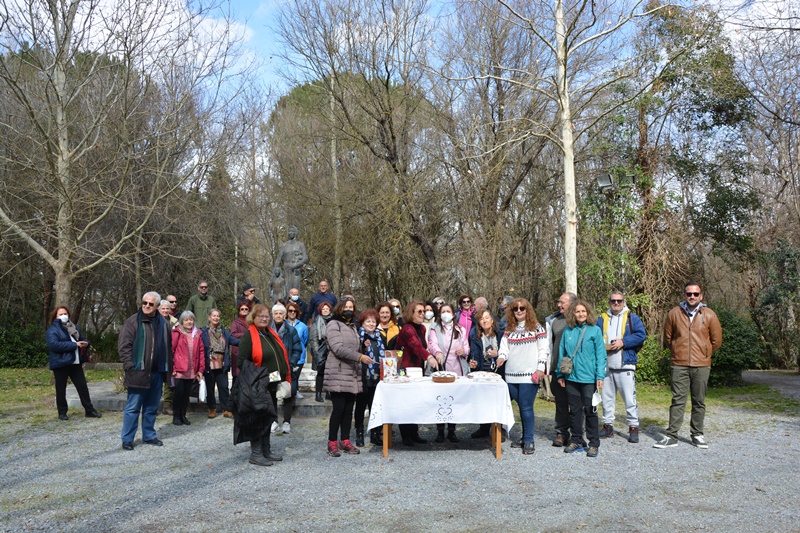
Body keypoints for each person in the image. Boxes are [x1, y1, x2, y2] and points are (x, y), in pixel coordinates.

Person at [654, 282, 722, 449]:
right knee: (677, 400)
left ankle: (697, 434)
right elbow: (668, 339)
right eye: (689, 294)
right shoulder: (674, 314)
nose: (692, 296)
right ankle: (672, 436)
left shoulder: (710, 315)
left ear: (701, 296)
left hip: (702, 364)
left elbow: (716, 341)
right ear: (684, 295)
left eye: (695, 294)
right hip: (679, 364)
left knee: (699, 401)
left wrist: (704, 353)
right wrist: (678, 352)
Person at [232, 303, 289, 466]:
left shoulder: (269, 333)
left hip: (270, 384)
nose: (265, 318)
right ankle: (256, 453)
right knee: (257, 420)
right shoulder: (249, 336)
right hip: (257, 386)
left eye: (266, 316)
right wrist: (261, 376)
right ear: (253, 317)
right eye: (261, 316)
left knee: (267, 419)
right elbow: (242, 362)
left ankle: (266, 450)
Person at [118, 291, 172, 450]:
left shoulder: (164, 324)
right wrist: (129, 366)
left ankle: (149, 435)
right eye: (144, 303)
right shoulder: (133, 322)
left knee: (151, 407)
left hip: (157, 372)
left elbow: (168, 347)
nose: (147, 306)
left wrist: (168, 369)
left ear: (157, 306)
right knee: (133, 408)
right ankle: (127, 438)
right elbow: (124, 346)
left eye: (150, 304)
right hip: (138, 372)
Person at [497, 298, 548, 455]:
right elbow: (504, 349)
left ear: (528, 310)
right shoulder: (509, 330)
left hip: (529, 375)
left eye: (522, 308)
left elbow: (543, 350)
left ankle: (529, 440)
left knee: (526, 408)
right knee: (519, 407)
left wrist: (540, 369)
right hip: (511, 376)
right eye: (515, 309)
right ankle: (525, 436)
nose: (519, 311)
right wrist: (501, 357)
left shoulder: (537, 328)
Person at [556, 300, 606, 458]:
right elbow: (561, 353)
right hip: (571, 378)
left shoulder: (595, 331)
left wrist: (600, 376)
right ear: (573, 314)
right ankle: (576, 439)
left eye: (583, 311)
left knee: (590, 411)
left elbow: (601, 355)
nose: (581, 314)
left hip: (589, 379)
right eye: (577, 311)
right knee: (574, 411)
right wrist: (560, 374)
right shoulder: (568, 331)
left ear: (588, 312)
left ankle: (593, 443)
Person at [324, 296, 373, 457]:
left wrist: (362, 348)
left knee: (348, 410)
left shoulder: (352, 326)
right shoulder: (333, 324)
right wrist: (359, 357)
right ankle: (332, 442)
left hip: (352, 373)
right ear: (340, 308)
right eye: (346, 307)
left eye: (351, 307)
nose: (349, 310)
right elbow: (337, 348)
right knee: (338, 409)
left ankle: (345, 440)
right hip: (338, 372)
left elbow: (354, 349)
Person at [596, 292, 646, 443]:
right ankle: (607, 426)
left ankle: (633, 427)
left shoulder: (632, 317)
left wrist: (623, 342)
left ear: (624, 302)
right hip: (606, 365)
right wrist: (603, 347)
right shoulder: (602, 318)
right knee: (607, 399)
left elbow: (641, 335)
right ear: (609, 301)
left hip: (625, 365)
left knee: (630, 399)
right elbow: (596, 337)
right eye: (613, 300)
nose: (616, 303)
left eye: (619, 301)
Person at [46, 306, 101, 421]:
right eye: (60, 314)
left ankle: (89, 410)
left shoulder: (73, 328)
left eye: (65, 313)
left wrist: (86, 343)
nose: (63, 316)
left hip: (75, 363)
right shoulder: (52, 330)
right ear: (55, 317)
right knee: (61, 389)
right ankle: (62, 412)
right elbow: (54, 345)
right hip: (61, 363)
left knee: (83, 387)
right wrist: (74, 345)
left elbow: (81, 339)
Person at [395, 300, 438, 446]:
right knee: (405, 403)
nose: (422, 314)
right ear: (410, 313)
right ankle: (405, 435)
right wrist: (429, 357)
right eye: (419, 311)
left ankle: (414, 433)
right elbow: (416, 347)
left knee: (415, 403)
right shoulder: (407, 329)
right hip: (405, 371)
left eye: (423, 311)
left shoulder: (422, 329)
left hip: (417, 370)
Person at [428, 303, 470, 443]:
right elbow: (432, 344)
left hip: (457, 368)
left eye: (448, 311)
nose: (446, 314)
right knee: (440, 399)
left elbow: (466, 346)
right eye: (443, 311)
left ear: (453, 314)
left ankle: (452, 431)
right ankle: (440, 431)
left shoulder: (460, 329)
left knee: (454, 400)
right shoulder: (434, 328)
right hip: (441, 368)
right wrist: (437, 352)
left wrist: (463, 351)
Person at [545, 292, 577, 447]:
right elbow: (549, 345)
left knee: (578, 403)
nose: (559, 305)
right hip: (558, 369)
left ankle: (578, 434)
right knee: (561, 403)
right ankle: (561, 433)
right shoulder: (554, 321)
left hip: (578, 370)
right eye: (558, 302)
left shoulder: (580, 318)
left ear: (572, 303)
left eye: (562, 302)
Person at [468, 308, 505, 439]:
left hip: (499, 372)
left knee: (498, 402)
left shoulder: (501, 333)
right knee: (483, 402)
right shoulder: (474, 334)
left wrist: (499, 353)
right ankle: (483, 428)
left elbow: (507, 351)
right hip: (482, 371)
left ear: (492, 320)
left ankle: (500, 430)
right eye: (481, 319)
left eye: (487, 318)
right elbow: (473, 354)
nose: (484, 321)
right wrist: (473, 364)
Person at [201, 309, 240, 419]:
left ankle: (226, 409)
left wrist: (245, 340)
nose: (216, 318)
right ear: (209, 318)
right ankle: (211, 409)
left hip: (222, 364)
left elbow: (232, 340)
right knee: (210, 388)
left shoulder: (223, 331)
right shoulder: (203, 331)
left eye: (218, 316)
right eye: (214, 316)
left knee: (223, 387)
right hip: (209, 364)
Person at [355, 308, 385, 447]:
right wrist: (362, 346)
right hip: (363, 376)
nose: (371, 324)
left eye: (374, 321)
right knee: (361, 407)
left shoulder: (380, 337)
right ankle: (359, 433)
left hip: (378, 377)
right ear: (363, 323)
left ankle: (375, 433)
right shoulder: (358, 337)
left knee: (375, 407)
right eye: (368, 321)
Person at [270, 303, 302, 434]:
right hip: (272, 368)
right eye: (276, 313)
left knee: (288, 393)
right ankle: (273, 421)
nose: (278, 315)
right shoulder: (268, 330)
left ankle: (287, 422)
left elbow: (297, 349)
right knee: (271, 393)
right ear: (273, 315)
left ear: (284, 315)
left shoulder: (291, 331)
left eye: (280, 313)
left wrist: (292, 363)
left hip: (287, 368)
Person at [171, 311, 205, 426]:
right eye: (186, 320)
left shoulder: (197, 334)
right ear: (182, 322)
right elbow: (172, 350)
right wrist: (173, 368)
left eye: (191, 319)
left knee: (186, 394)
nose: (189, 322)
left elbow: (201, 352)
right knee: (178, 393)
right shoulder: (177, 333)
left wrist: (200, 370)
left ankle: (183, 415)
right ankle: (176, 416)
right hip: (180, 369)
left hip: (192, 369)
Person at [273, 225, 309, 294]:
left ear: (295, 233)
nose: (290, 233)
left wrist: (296, 265)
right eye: (289, 231)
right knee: (286, 289)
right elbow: (278, 259)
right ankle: (287, 304)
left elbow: (305, 258)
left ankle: (295, 304)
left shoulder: (300, 245)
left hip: (296, 269)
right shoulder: (284, 245)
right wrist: (275, 270)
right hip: (287, 268)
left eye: (292, 231)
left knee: (295, 289)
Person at [309, 302, 333, 402]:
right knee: (321, 373)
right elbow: (313, 340)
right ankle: (318, 393)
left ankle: (328, 392)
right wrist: (318, 354)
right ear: (320, 311)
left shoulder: (333, 322)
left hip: (331, 351)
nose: (325, 310)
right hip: (320, 352)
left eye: (327, 309)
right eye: (323, 309)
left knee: (330, 373)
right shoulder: (316, 323)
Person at [286, 300, 309, 401]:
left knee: (295, 376)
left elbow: (305, 340)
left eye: (294, 311)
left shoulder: (303, 326)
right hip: (285, 354)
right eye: (290, 311)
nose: (292, 313)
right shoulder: (283, 325)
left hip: (299, 356)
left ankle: (295, 391)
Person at [158, 300, 178, 415]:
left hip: (170, 354)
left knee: (169, 381)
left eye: (167, 309)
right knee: (155, 382)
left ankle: (167, 405)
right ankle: (153, 406)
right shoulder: (154, 321)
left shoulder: (175, 322)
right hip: (157, 354)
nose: (165, 311)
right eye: (163, 309)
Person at [229, 301, 251, 388]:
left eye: (246, 309)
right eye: (242, 309)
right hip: (237, 351)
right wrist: (246, 334)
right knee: (237, 375)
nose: (244, 310)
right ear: (239, 311)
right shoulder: (235, 322)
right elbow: (233, 334)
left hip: (249, 350)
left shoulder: (251, 322)